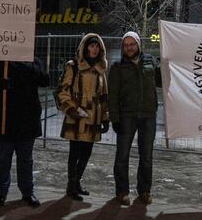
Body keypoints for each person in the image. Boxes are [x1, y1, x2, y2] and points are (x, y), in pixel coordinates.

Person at [0, 57, 50, 207]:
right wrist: (0, 84)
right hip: (6, 119)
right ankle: (1, 191)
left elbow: (45, 81)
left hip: (27, 120)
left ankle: (27, 192)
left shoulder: (34, 61)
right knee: (3, 159)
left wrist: (35, 69)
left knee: (26, 159)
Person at [108, 31, 162, 206]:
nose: (129, 48)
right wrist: (115, 119)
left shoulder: (151, 62)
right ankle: (122, 192)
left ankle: (144, 191)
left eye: (132, 44)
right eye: (126, 45)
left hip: (148, 116)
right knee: (122, 156)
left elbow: (162, 80)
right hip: (126, 116)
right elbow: (113, 96)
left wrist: (168, 63)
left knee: (146, 156)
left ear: (138, 45)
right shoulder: (117, 67)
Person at [57, 34, 110, 200]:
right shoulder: (73, 66)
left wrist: (105, 117)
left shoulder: (100, 70)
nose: (94, 49)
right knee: (75, 153)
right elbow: (62, 91)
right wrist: (72, 110)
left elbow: (104, 97)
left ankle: (77, 183)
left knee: (86, 153)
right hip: (77, 119)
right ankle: (71, 186)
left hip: (93, 119)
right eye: (91, 46)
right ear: (85, 47)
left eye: (97, 47)